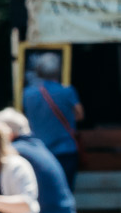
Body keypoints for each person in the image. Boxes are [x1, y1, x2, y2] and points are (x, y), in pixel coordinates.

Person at [22, 53, 84, 188]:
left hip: (39, 151)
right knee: (66, 189)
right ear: (58, 71)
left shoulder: (27, 94)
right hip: (65, 150)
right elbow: (79, 115)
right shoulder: (67, 91)